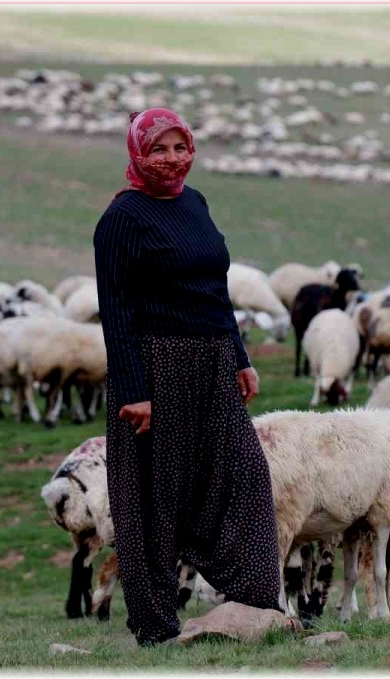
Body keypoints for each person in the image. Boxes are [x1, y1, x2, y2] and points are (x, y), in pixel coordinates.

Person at [94, 108, 283, 646]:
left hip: (214, 364)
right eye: (159, 149)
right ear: (138, 154)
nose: (172, 159)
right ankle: (154, 625)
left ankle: (255, 601)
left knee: (245, 474)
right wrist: (134, 391)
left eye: (181, 147)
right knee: (154, 497)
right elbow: (117, 311)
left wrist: (240, 354)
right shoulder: (122, 219)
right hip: (157, 369)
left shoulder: (195, 203)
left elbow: (214, 292)